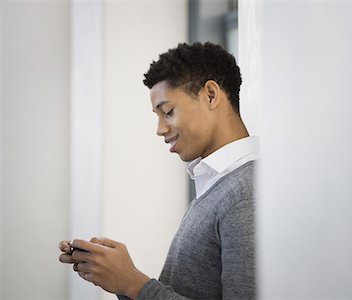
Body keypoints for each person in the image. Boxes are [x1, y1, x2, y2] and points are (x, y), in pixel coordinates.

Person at [58, 42, 257, 300]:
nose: (160, 129)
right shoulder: (219, 184)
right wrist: (121, 279)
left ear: (210, 95)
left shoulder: (244, 194)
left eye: (168, 112)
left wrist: (133, 283)